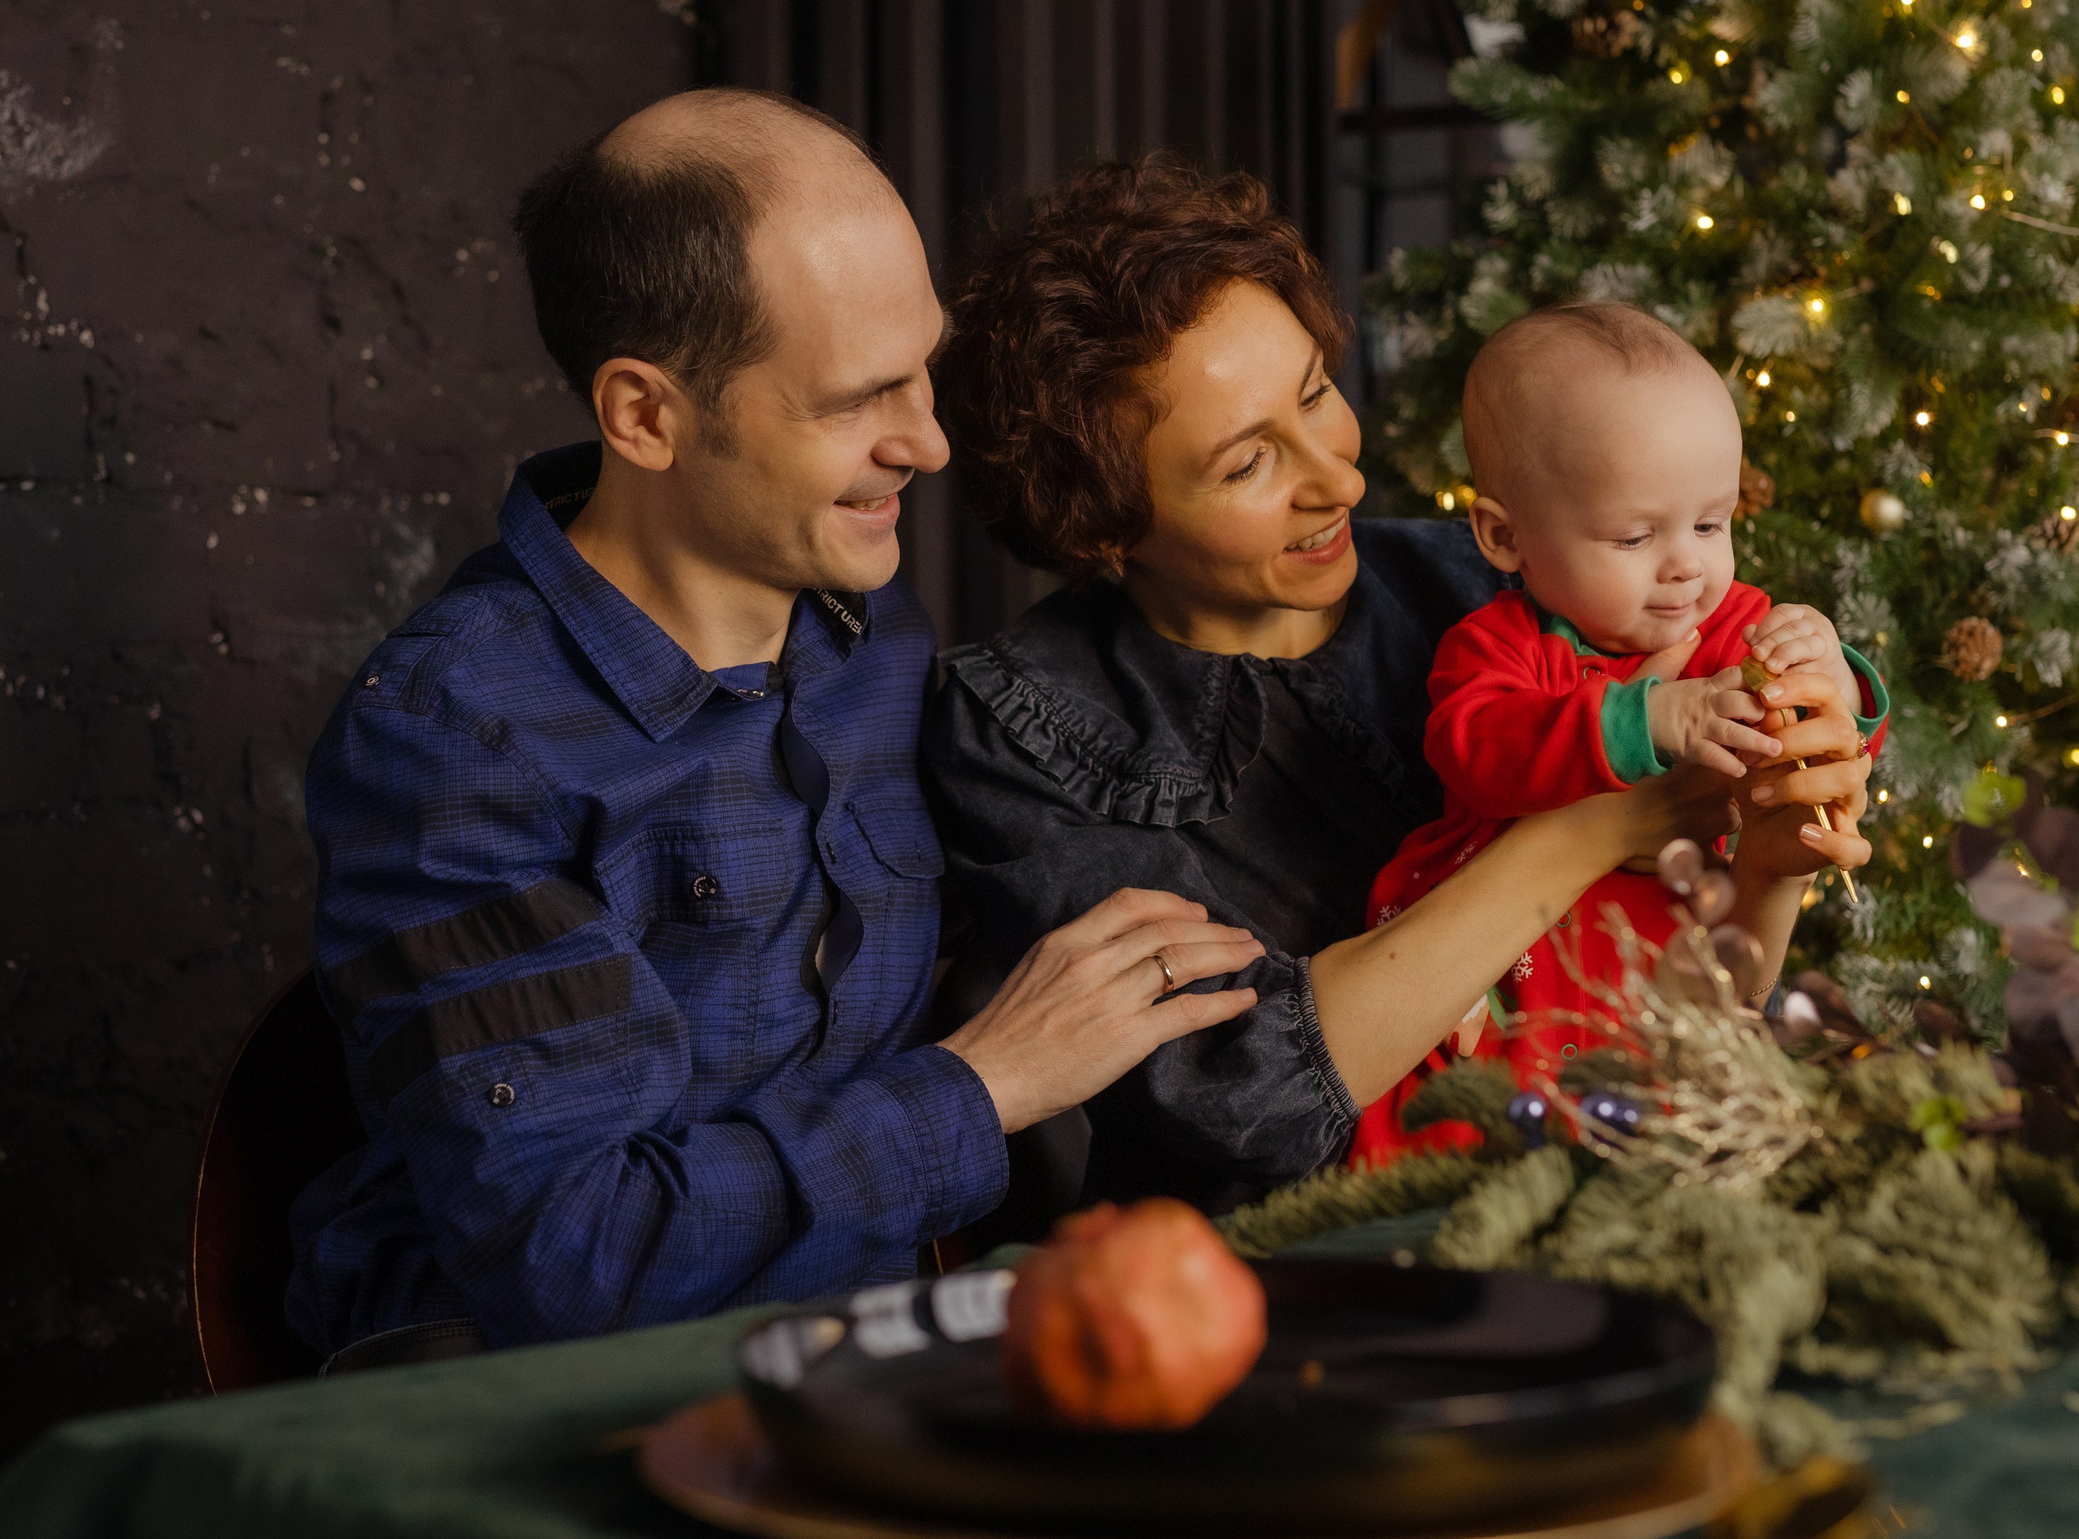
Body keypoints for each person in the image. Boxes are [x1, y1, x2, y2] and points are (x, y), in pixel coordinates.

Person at [285, 92, 1263, 1365]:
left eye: (926, 368)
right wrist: (988, 1085)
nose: (926, 440)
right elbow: (580, 1259)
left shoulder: (867, 632)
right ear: (646, 416)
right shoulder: (454, 741)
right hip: (528, 1391)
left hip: (854, 1346)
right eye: (857, 400)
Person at [923, 157, 1872, 1226]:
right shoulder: (1021, 725)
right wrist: (1606, 825)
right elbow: (1245, 1100)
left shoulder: (1500, 580)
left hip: (1593, 1204)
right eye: (1246, 465)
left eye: (1316, 393)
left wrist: (1777, 864)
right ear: (1102, 527)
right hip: (1282, 1282)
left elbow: (1680, 1006)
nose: (1338, 480)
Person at [1349, 302, 1890, 1168]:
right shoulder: (1497, 645)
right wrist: (1648, 720)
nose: (1685, 564)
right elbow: (1478, 749)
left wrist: (1830, 676)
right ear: (1504, 536)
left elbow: (1829, 744)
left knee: (1662, 1140)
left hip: (1660, 957)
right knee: (1456, 1144)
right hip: (1503, 957)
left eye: (1711, 524)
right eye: (1635, 535)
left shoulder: (1733, 627)